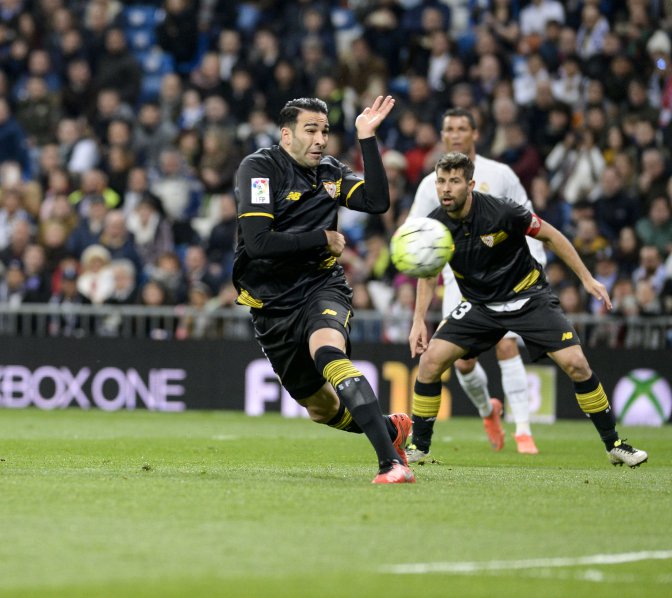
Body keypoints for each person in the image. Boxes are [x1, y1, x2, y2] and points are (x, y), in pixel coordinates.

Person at [407, 152, 647, 468]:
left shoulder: (502, 211)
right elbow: (428, 273)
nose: (446, 188)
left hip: (529, 298)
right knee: (429, 363)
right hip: (480, 306)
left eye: (454, 181)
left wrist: (587, 278)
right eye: (441, 181)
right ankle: (418, 448)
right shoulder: (435, 226)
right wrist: (418, 321)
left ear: (471, 184)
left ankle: (614, 445)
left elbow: (551, 235)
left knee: (576, 364)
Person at [233, 96, 415, 484]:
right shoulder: (260, 169)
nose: (320, 139)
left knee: (328, 352)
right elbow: (258, 242)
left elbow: (377, 201)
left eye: (325, 131)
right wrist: (322, 238)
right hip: (271, 304)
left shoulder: (330, 173)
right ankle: (390, 429)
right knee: (321, 409)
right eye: (310, 130)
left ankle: (391, 464)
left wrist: (367, 138)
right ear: (286, 135)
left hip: (321, 286)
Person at [407, 107, 546, 456]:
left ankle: (523, 430)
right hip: (459, 278)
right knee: (463, 362)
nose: (454, 134)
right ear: (442, 136)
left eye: (461, 128)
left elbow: (528, 220)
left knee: (506, 345)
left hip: (506, 275)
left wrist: (534, 267)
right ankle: (488, 411)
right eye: (448, 129)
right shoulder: (430, 185)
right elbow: (418, 235)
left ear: (475, 134)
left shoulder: (500, 174)